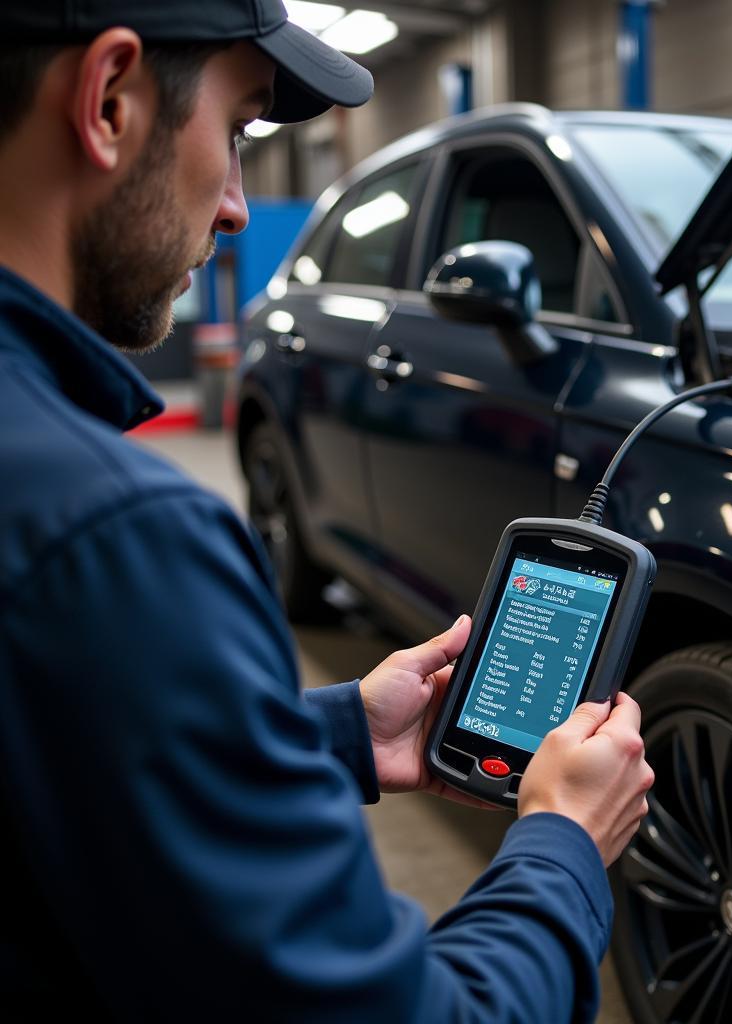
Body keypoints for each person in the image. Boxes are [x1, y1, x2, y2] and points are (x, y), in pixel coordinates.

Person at [0, 2, 655, 1020]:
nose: (231, 209)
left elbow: (65, 755)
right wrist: (562, 840)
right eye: (240, 132)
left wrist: (333, 733)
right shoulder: (121, 537)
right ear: (111, 101)